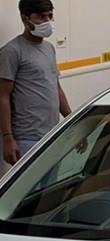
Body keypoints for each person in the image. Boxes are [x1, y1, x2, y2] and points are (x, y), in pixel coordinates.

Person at [1, 0, 71, 167]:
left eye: (50, 16)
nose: (47, 21)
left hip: (52, 134)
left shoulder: (49, 48)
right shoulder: (12, 51)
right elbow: (3, 96)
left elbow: (56, 87)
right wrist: (8, 138)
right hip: (27, 139)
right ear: (25, 19)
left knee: (52, 182)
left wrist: (72, 121)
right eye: (41, 16)